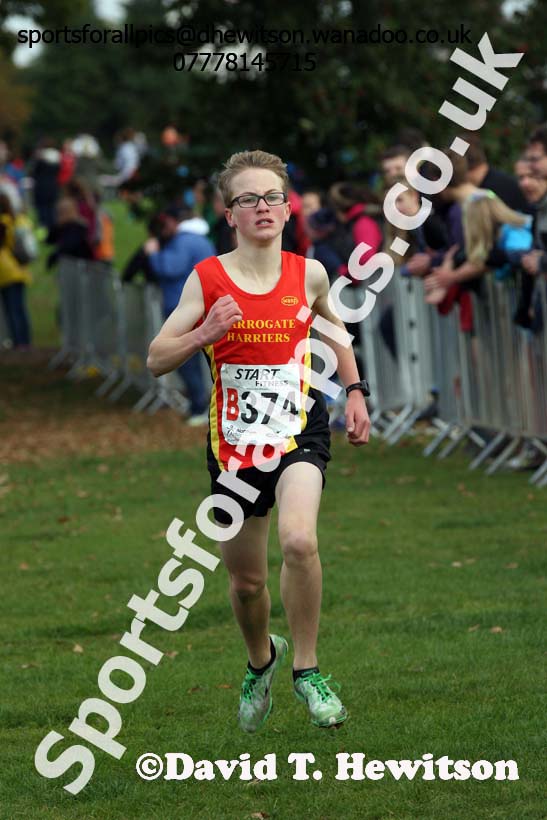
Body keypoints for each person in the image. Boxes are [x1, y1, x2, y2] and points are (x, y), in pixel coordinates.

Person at [147, 149, 370, 731]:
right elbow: (154, 360)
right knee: (246, 584)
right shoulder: (208, 279)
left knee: (299, 541)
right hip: (235, 449)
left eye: (272, 196)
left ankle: (307, 670)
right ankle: (259, 661)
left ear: (288, 206)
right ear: (231, 214)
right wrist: (206, 332)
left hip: (299, 430)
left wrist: (354, 390)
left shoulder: (310, 272)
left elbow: (335, 329)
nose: (263, 207)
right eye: (249, 199)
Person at [144, 206, 215, 424]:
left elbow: (170, 268)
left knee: (186, 359)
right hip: (202, 306)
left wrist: (154, 254)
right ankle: (203, 405)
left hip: (182, 308)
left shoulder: (182, 242)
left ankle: (199, 406)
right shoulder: (201, 240)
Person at [0, 194, 32, 349]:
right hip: (19, 271)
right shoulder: (16, 221)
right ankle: (24, 342)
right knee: (19, 309)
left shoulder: (3, 223)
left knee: (12, 311)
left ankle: (19, 344)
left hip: (5, 271)